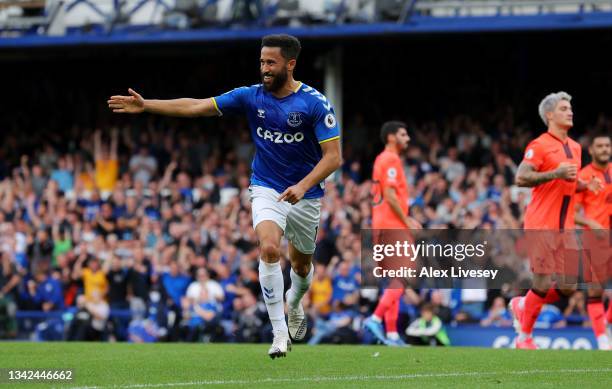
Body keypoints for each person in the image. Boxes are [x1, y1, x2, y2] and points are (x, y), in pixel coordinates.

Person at [108, 34, 342, 358]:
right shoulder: (250, 96)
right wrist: (147, 105)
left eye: (271, 63)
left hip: (306, 194)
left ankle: (295, 302)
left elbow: (334, 157)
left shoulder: (314, 103)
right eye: (262, 62)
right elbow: (196, 106)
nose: (264, 68)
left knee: (301, 267)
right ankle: (278, 333)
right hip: (267, 186)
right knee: (270, 247)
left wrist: (303, 186)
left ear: (291, 64)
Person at [509, 92, 602, 349]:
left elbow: (567, 183)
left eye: (570, 107)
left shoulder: (575, 147)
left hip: (567, 228)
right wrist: (555, 172)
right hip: (542, 224)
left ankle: (522, 304)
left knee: (569, 287)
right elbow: (521, 178)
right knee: (541, 281)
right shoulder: (538, 145)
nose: (570, 112)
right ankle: (524, 337)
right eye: (563, 108)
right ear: (550, 115)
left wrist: (585, 184)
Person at [363, 121, 421, 346]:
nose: (408, 138)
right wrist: (405, 219)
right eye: (403, 134)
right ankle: (376, 318)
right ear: (391, 137)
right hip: (392, 225)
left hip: (382, 224)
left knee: (395, 279)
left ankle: (392, 334)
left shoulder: (382, 159)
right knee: (406, 273)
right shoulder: (390, 159)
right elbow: (389, 194)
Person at [574, 132, 611, 350]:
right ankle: (602, 339)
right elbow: (572, 213)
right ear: (592, 150)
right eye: (600, 146)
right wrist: (592, 223)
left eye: (607, 145)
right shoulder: (584, 177)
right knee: (595, 291)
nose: (605, 149)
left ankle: (605, 323)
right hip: (595, 241)